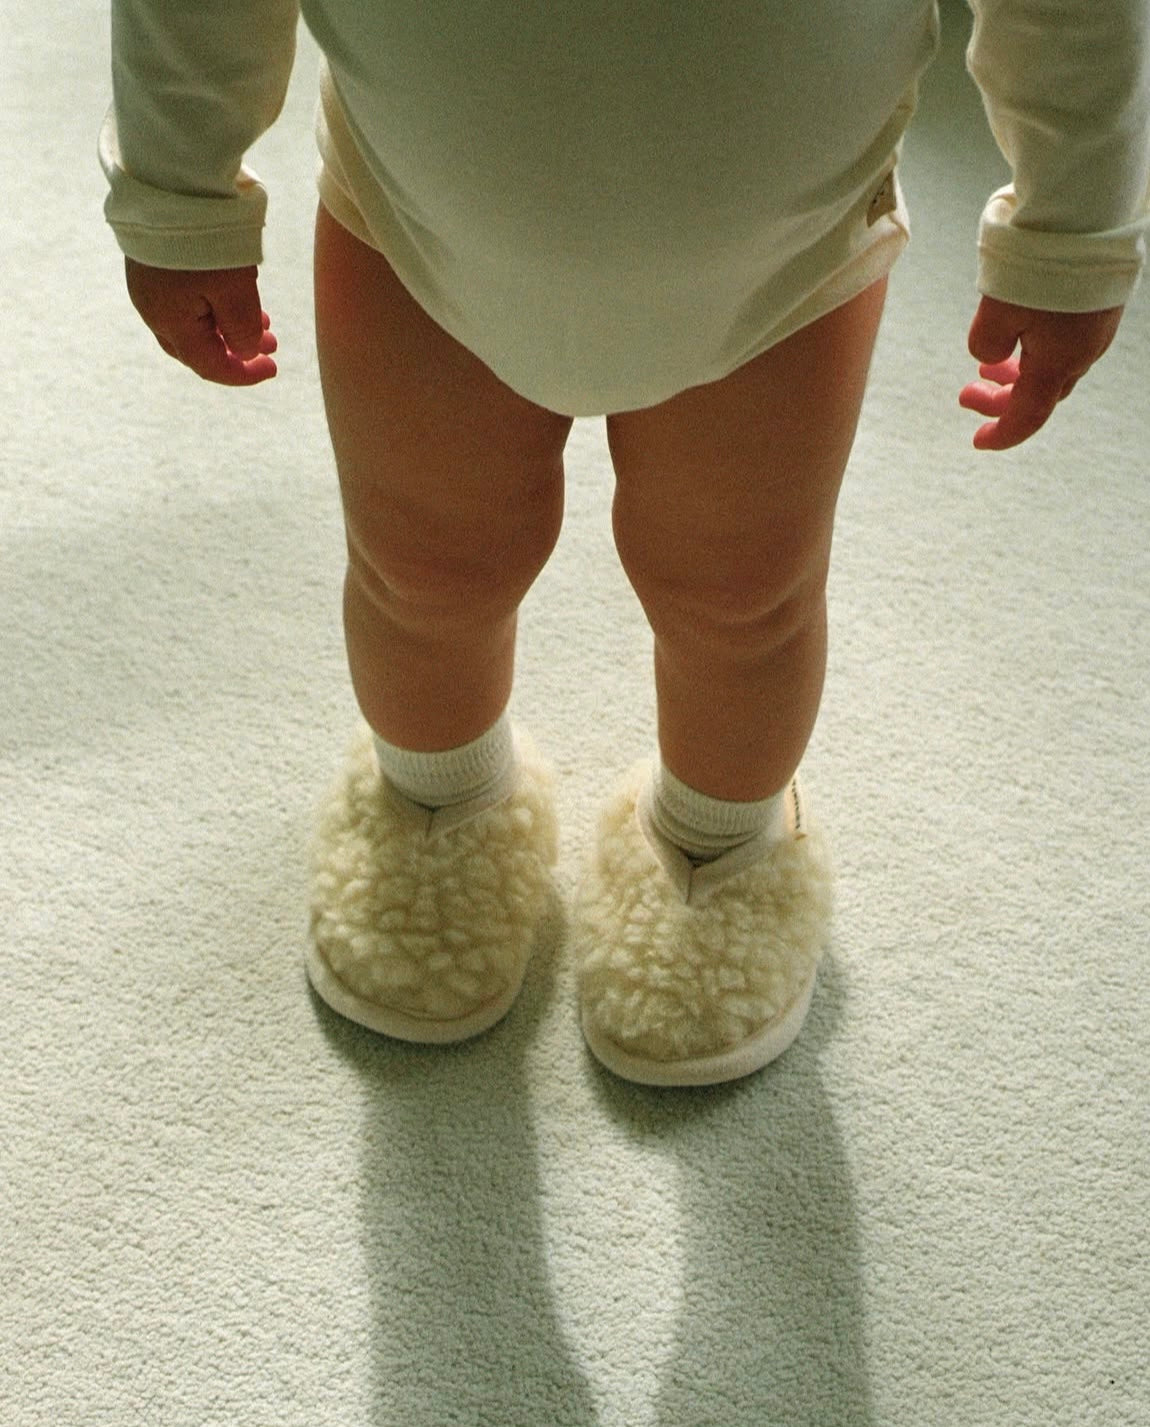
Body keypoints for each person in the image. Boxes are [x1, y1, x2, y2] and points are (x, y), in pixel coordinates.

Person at [103, 1, 1149, 1086]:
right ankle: (437, 790)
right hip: (421, 223)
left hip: (779, 260)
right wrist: (176, 187)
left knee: (741, 593)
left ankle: (719, 839)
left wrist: (1070, 227)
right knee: (421, 564)